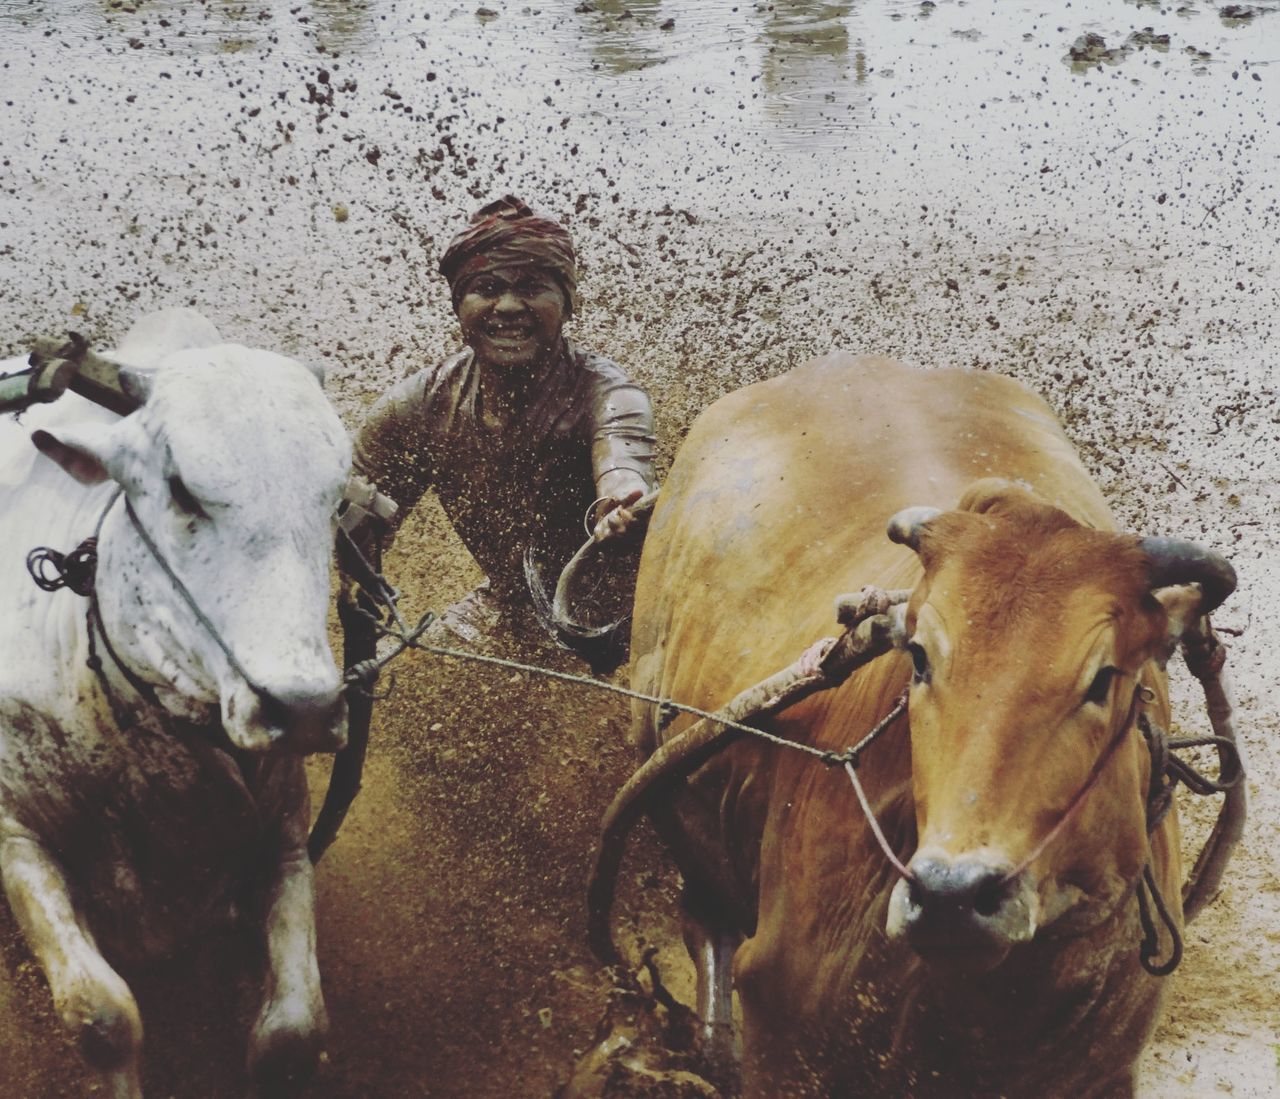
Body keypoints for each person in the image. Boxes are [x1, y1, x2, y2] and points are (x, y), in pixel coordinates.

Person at [350, 196, 658, 649]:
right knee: (401, 669)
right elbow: (354, 519)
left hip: (623, 622)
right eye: (488, 289)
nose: (509, 306)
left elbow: (622, 464)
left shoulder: (608, 393)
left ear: (567, 303)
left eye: (532, 288)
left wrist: (617, 503)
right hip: (505, 612)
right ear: (459, 305)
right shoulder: (423, 403)